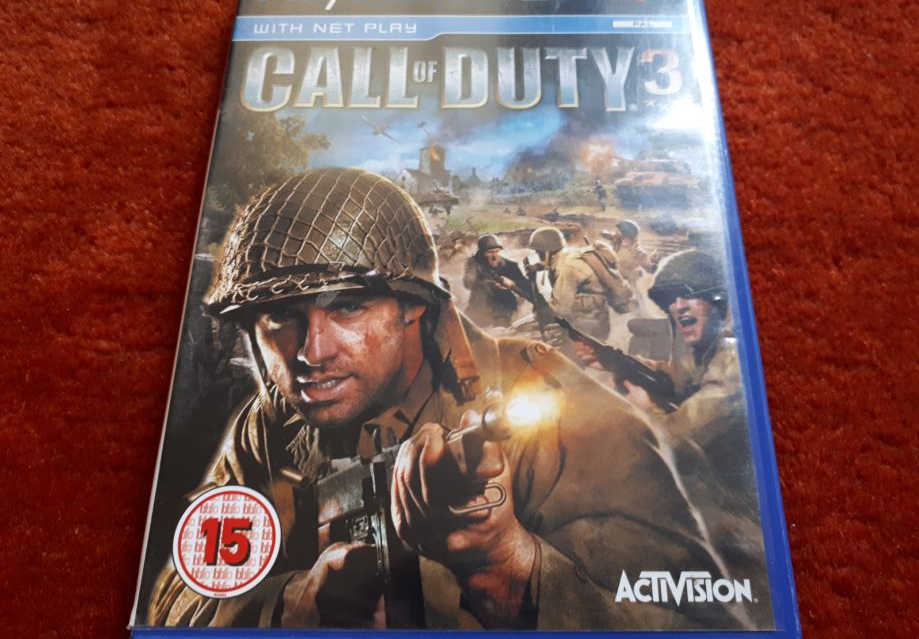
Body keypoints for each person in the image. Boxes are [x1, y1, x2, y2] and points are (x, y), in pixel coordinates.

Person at [148, 170, 738, 630]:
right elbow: (177, 597)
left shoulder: (546, 398)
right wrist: (292, 605)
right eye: (279, 317)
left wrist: (509, 566)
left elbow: (711, 621)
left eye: (348, 306)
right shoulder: (271, 422)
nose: (312, 352)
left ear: (413, 305)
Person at [574, 250, 771, 626]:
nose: (677, 306)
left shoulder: (734, 364)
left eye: (688, 295)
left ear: (717, 301)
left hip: (736, 514)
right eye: (670, 299)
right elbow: (673, 379)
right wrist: (614, 360)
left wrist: (647, 410)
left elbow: (675, 432)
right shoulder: (698, 352)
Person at [527, 227, 632, 341]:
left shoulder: (566, 268)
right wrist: (539, 267)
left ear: (546, 252)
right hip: (597, 318)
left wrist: (541, 312)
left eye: (538, 251)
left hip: (586, 325)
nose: (537, 254)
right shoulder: (571, 254)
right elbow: (559, 263)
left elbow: (561, 309)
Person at [462, 234, 530, 328]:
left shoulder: (510, 265)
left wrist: (512, 283)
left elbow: (525, 285)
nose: (494, 256)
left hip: (503, 306)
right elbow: (468, 283)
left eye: (496, 251)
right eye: (489, 252)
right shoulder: (474, 264)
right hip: (481, 305)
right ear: (482, 252)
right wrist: (492, 284)